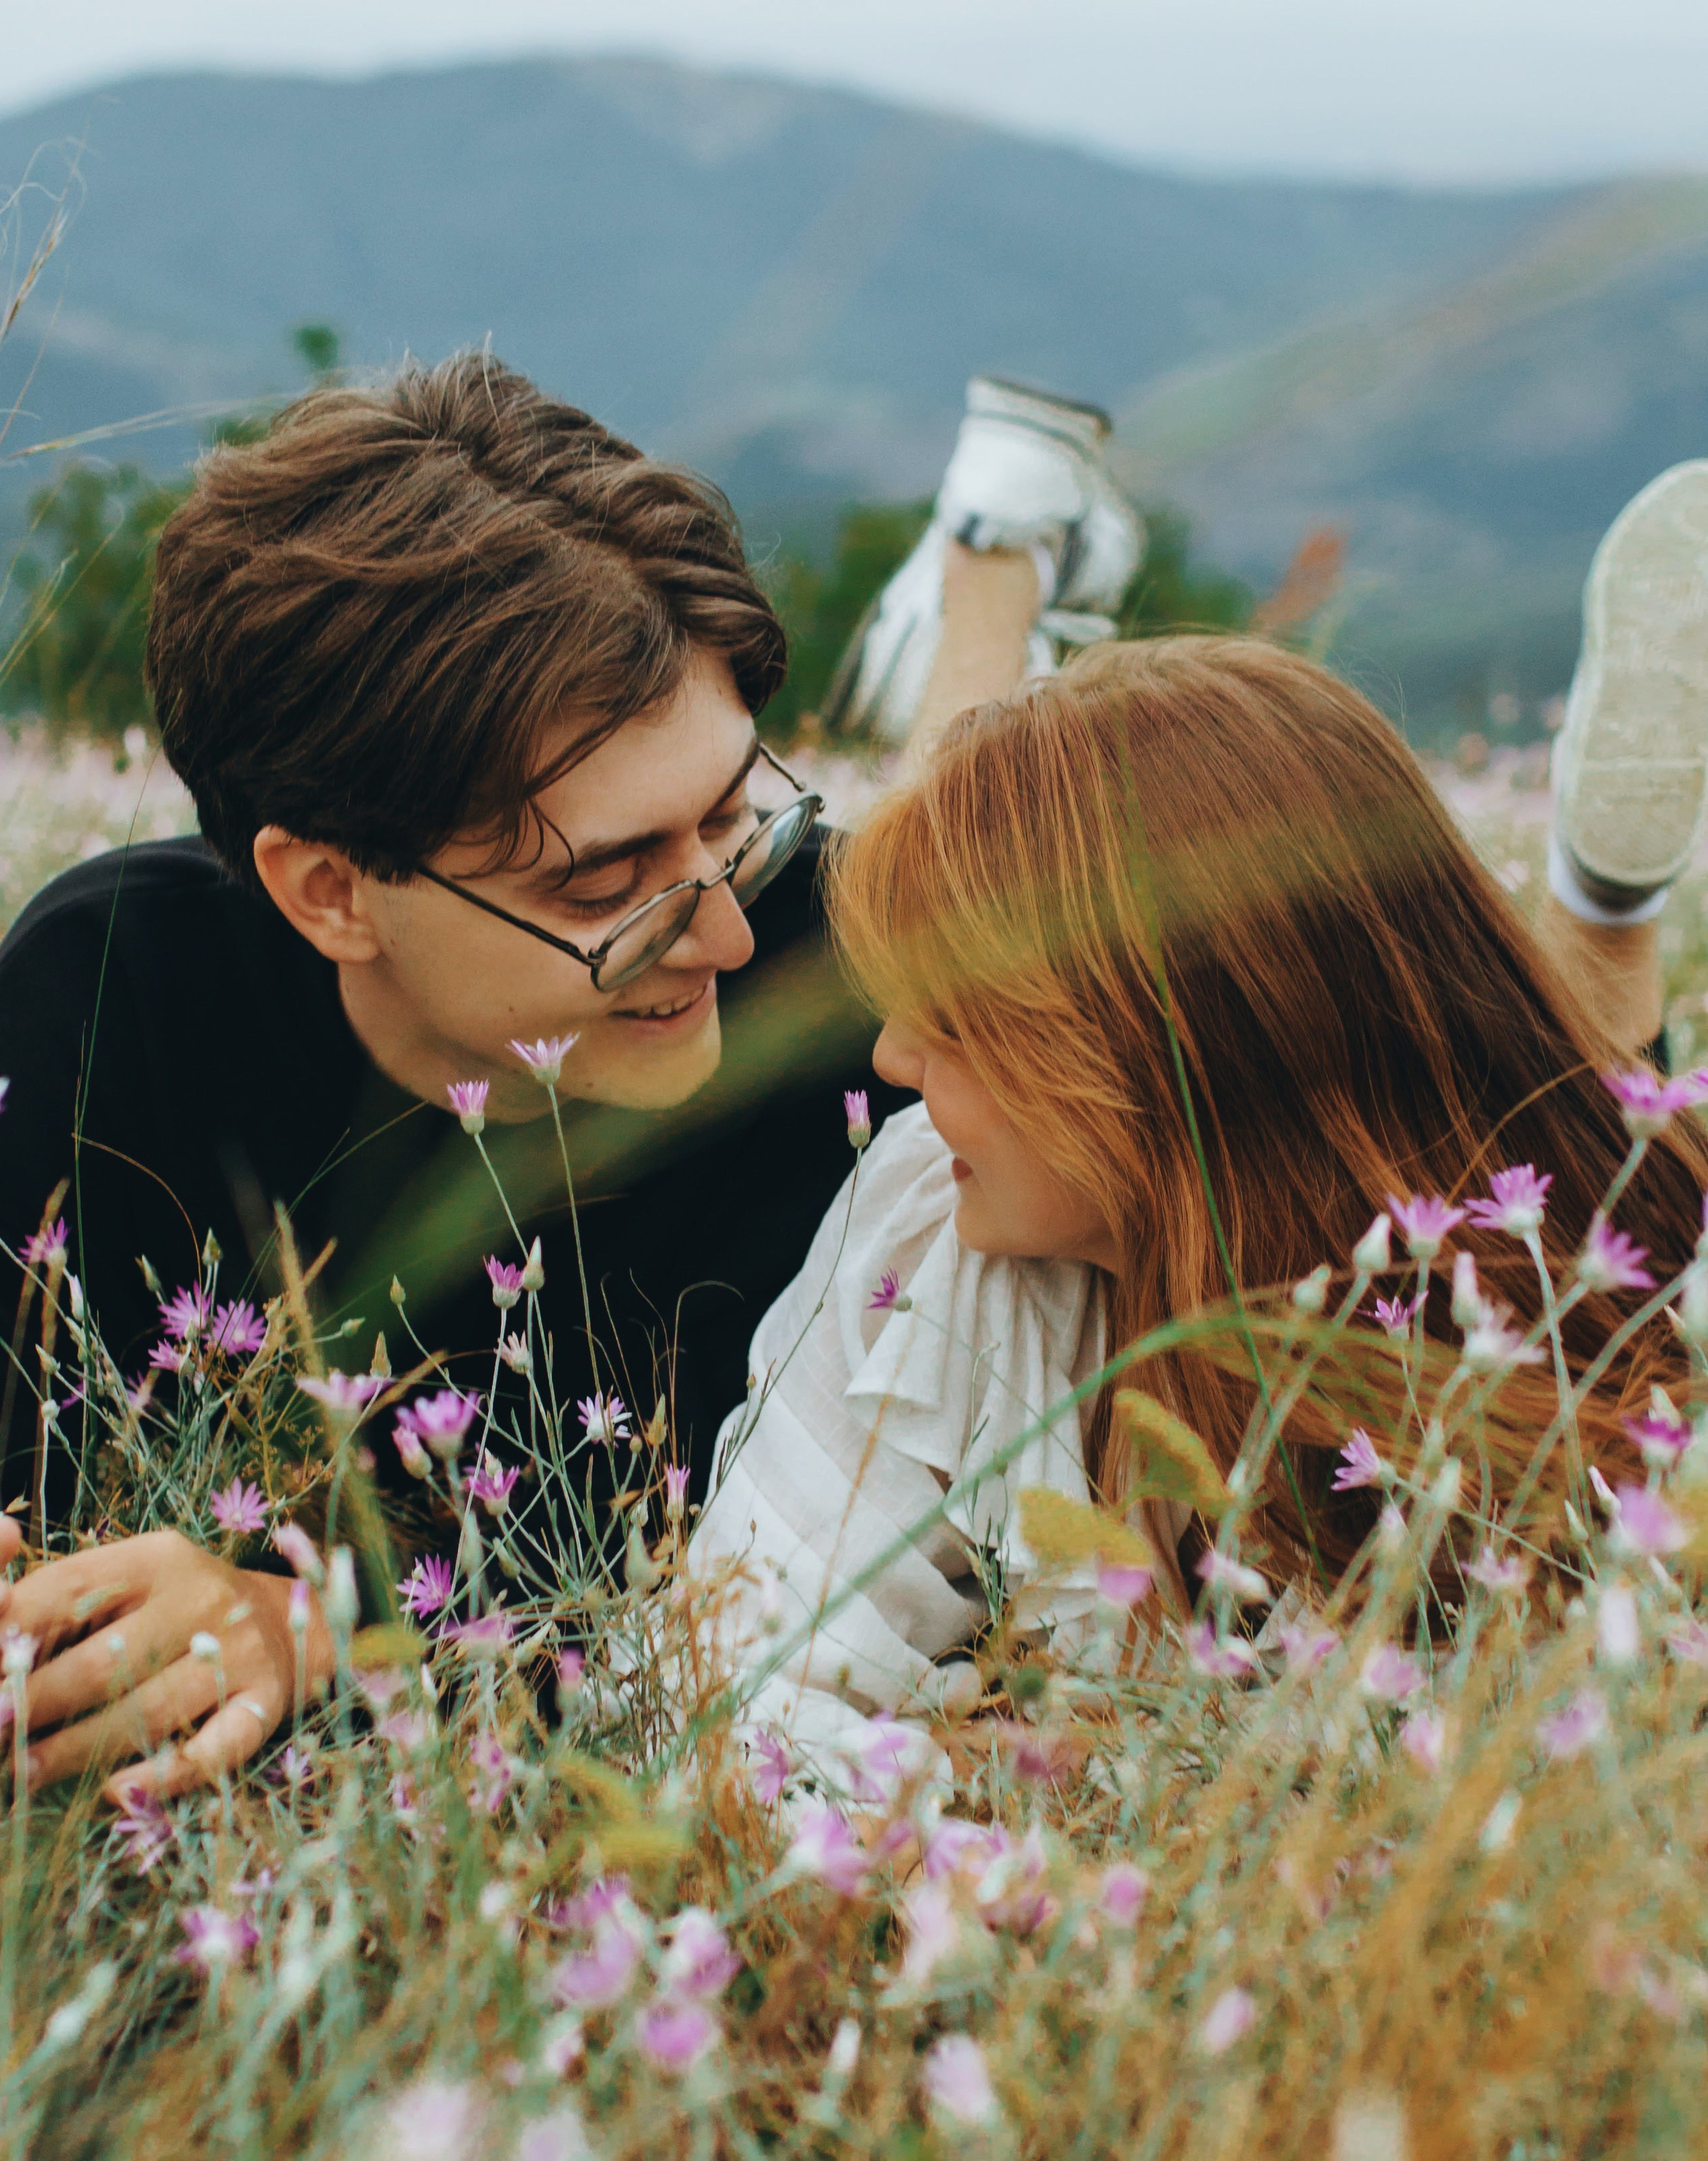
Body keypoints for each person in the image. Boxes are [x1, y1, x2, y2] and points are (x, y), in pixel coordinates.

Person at [0, 356, 1143, 1810]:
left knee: (935, 873)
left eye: (728, 817)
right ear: (332, 892)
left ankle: (993, 569)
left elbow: (730, 1620)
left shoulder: (832, 984)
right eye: (608, 880)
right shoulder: (117, 991)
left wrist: (320, 1628)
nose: (717, 927)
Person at [691, 461, 1708, 1754]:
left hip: (1568, 1225)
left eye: (957, 1025)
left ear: (1143, 1069)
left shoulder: (1581, 1367)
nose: (890, 1058)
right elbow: (738, 1680)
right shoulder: (923, 1223)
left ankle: (1602, 919)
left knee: (1606, 1149)